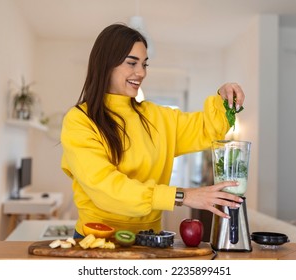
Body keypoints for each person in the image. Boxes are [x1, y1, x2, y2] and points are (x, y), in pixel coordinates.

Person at [60, 23, 246, 238]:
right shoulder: (80, 120)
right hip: (98, 239)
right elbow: (105, 188)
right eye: (132, 63)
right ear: (106, 65)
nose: (141, 73)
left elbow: (205, 128)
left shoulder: (157, 117)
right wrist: (182, 196)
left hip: (150, 240)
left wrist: (223, 100)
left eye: (144, 64)